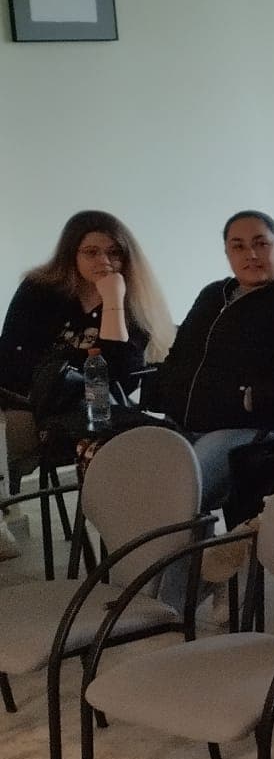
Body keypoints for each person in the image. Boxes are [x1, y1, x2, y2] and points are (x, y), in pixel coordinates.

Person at [0, 211, 175, 559]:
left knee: (119, 430)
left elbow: (118, 379)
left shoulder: (131, 299)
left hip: (90, 410)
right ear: (71, 254)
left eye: (114, 252)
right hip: (26, 402)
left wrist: (112, 303)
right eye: (91, 252)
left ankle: (154, 538)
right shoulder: (39, 290)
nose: (104, 261)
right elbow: (13, 360)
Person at [143, 210, 274, 510]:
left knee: (175, 500)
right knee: (132, 483)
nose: (250, 254)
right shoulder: (212, 296)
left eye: (261, 244)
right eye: (238, 246)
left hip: (252, 428)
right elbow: (179, 356)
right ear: (227, 254)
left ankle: (173, 555)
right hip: (183, 423)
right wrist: (168, 391)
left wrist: (252, 398)